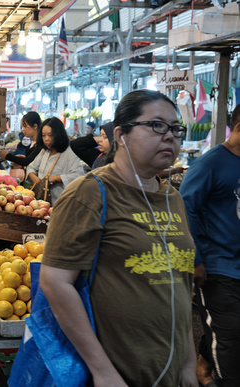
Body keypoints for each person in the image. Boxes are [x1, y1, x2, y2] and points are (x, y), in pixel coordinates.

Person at [40, 89, 197, 386]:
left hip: (170, 372)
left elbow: (180, 284)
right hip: (116, 374)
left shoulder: (172, 197)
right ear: (121, 134)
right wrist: (102, 370)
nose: (170, 136)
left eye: (176, 128)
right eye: (156, 125)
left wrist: (188, 363)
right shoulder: (89, 193)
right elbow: (55, 282)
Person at [180, 103, 240, 387]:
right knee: (229, 334)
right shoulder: (210, 164)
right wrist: (195, 259)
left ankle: (202, 371)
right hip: (217, 265)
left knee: (226, 327)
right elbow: (185, 208)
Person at [26, 117, 84, 205]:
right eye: (43, 135)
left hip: (59, 205)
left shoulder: (69, 154)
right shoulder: (45, 151)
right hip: (41, 203)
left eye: (50, 135)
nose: (46, 139)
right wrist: (36, 179)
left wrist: (57, 178)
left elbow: (79, 176)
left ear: (58, 135)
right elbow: (31, 167)